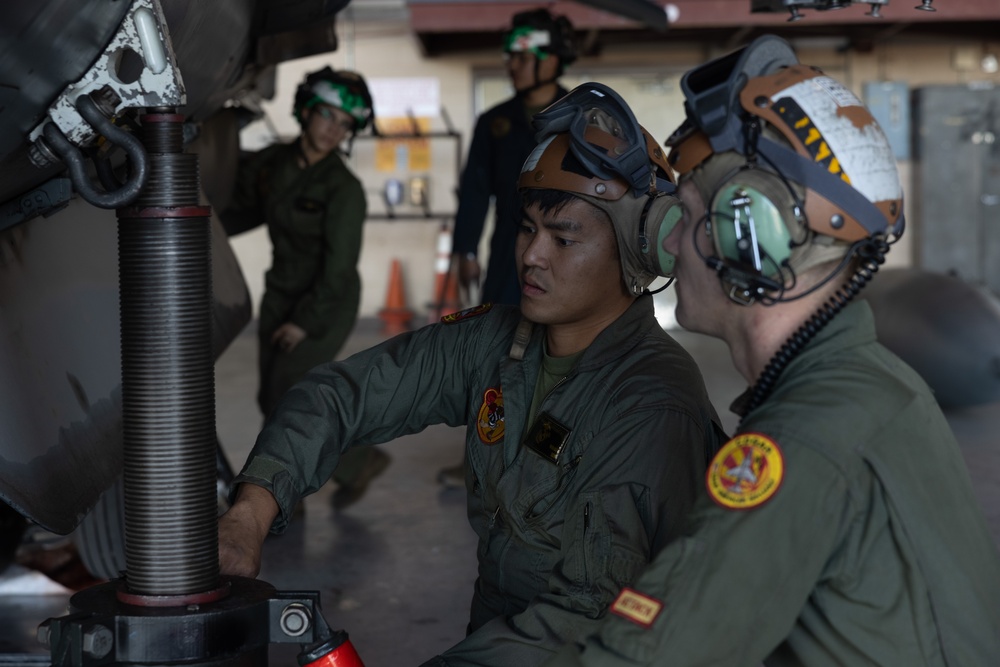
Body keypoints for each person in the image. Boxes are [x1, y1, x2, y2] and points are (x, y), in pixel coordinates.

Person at [218, 82, 727, 665]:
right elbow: (342, 394)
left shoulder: (653, 403)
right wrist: (249, 514)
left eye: (563, 239)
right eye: (528, 228)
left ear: (636, 256)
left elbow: (588, 616)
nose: (532, 255)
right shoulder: (495, 341)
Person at [543, 36, 1000, 667]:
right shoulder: (871, 379)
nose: (671, 249)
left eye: (689, 217)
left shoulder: (803, 440)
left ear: (749, 239)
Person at [220, 67, 390, 509]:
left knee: (288, 395)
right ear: (306, 112)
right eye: (328, 116)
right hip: (281, 293)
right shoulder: (272, 165)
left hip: (324, 303)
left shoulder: (344, 189)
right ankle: (358, 462)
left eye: (345, 124)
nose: (335, 130)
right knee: (271, 396)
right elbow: (231, 203)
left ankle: (282, 501)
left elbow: (338, 270)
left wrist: (304, 323)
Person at [441, 7, 578, 488]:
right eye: (510, 56)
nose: (511, 65)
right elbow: (474, 190)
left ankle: (548, 455)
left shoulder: (580, 117)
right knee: (496, 347)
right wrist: (463, 251)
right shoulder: (494, 122)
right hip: (506, 249)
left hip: (564, 249)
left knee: (560, 348)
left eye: (523, 56)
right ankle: (479, 457)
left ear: (551, 59)